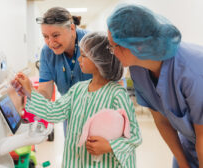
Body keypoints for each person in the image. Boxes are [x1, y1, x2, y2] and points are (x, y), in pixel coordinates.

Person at [14, 32, 142, 167]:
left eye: (84, 56)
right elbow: (53, 111)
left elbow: (134, 135)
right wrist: (29, 91)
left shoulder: (117, 95)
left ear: (100, 60)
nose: (79, 59)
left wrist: (110, 146)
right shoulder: (78, 90)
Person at [107, 4, 203, 168]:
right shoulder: (138, 69)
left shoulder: (193, 69)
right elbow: (161, 120)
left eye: (115, 45)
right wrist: (183, 163)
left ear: (138, 44)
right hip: (190, 145)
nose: (113, 53)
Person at [14, 7, 92, 135]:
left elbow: (115, 84)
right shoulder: (47, 53)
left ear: (72, 29)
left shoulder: (92, 43)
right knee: (73, 152)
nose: (51, 43)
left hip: (100, 114)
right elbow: (46, 93)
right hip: (70, 115)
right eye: (45, 36)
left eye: (55, 35)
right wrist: (29, 90)